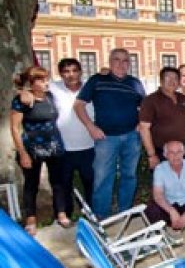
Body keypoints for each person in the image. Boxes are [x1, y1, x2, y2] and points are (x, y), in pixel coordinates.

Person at [74, 48, 145, 219]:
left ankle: (125, 212)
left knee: (129, 175)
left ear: (129, 63)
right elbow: (78, 105)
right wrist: (91, 127)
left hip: (131, 137)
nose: (121, 64)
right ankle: (101, 217)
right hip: (106, 138)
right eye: (117, 59)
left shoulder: (135, 83)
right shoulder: (97, 80)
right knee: (103, 178)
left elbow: (144, 106)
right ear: (109, 61)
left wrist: (139, 124)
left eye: (125, 60)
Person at [10, 66, 68, 235]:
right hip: (32, 149)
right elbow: (15, 128)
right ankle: (31, 219)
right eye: (41, 80)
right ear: (32, 83)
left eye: (46, 79)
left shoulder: (50, 96)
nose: (45, 83)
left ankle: (61, 213)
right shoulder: (22, 100)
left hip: (54, 146)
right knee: (31, 185)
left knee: (58, 182)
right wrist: (22, 153)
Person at [50, 58, 95, 216]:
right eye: (66, 71)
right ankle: (65, 214)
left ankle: (90, 214)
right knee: (63, 185)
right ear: (61, 74)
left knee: (90, 183)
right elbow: (32, 86)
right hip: (63, 148)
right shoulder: (53, 88)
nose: (71, 75)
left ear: (80, 72)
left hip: (89, 146)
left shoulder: (91, 88)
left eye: (74, 70)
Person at [139, 67, 185, 169]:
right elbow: (144, 128)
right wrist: (152, 155)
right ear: (161, 81)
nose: (172, 81)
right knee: (166, 183)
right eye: (168, 78)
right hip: (163, 152)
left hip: (184, 151)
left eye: (175, 78)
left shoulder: (182, 98)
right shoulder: (150, 100)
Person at [144, 141, 185, 236]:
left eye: (179, 152)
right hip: (168, 203)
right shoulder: (159, 169)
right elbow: (158, 195)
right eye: (171, 152)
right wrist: (171, 211)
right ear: (165, 155)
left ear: (184, 153)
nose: (176, 156)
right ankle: (166, 225)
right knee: (151, 212)